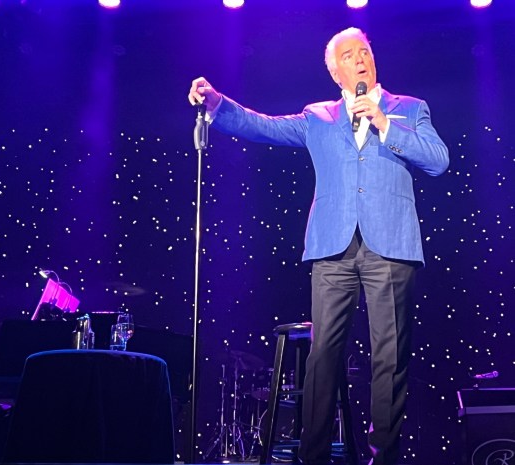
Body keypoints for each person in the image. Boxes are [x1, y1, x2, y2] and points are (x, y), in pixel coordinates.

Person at [188, 27, 448, 465]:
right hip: (333, 246)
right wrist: (218, 104)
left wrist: (384, 124)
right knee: (323, 355)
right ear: (335, 71)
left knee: (390, 357)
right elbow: (264, 126)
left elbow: (438, 161)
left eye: (364, 50)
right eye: (348, 55)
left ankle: (383, 457)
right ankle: (314, 457)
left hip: (391, 245)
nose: (359, 58)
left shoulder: (409, 108)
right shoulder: (319, 116)